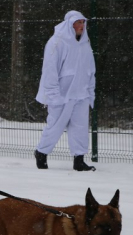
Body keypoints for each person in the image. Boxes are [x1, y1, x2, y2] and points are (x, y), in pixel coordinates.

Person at [34, 10, 96, 171]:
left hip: (81, 94)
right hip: (62, 95)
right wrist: (54, 95)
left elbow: (91, 69)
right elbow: (50, 70)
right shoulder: (57, 42)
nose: (81, 26)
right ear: (70, 24)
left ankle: (79, 159)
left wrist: (90, 92)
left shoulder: (85, 44)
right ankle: (41, 153)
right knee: (55, 127)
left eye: (83, 22)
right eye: (78, 22)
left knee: (80, 128)